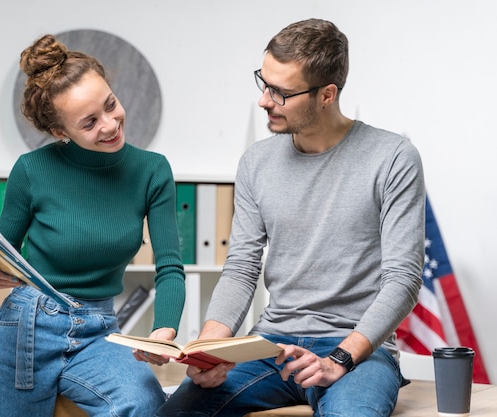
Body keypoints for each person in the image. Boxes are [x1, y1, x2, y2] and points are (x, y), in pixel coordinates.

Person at [156, 18, 425, 417]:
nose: (265, 100)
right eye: (263, 84)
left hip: (354, 348)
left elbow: (404, 277)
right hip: (271, 344)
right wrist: (208, 350)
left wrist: (340, 358)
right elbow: (242, 266)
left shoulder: (393, 158)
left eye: (281, 92)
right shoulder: (257, 162)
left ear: (326, 94)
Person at [0, 34, 186, 417]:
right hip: (28, 325)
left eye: (111, 105)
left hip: (99, 330)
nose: (110, 125)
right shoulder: (32, 170)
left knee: (146, 406)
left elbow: (169, 266)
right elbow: (4, 250)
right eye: (89, 122)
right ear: (60, 132)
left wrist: (163, 331)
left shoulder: (153, 171)